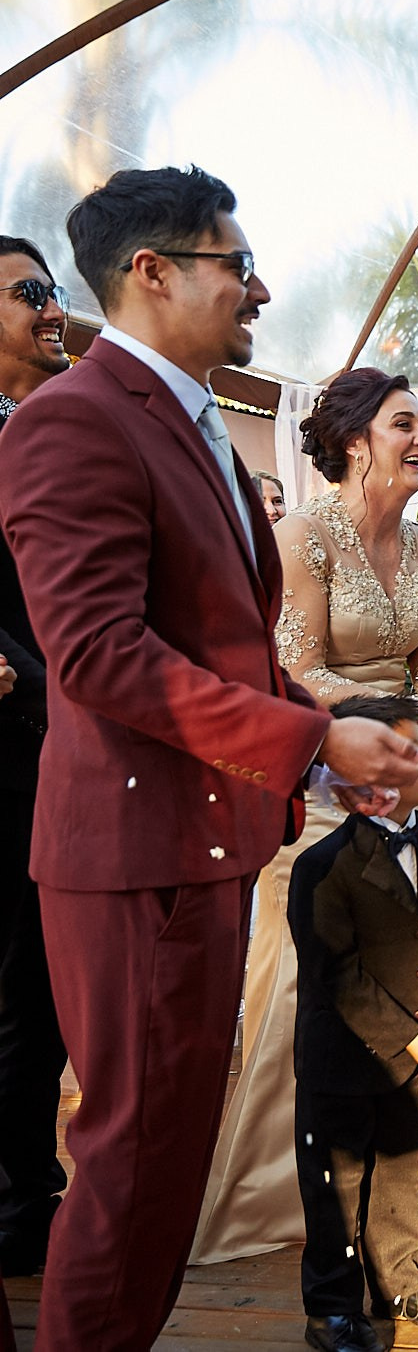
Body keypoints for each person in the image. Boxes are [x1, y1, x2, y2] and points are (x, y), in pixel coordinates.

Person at [0, 165, 418, 1351]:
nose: (259, 289)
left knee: (167, 1168)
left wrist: (326, 749)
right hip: (135, 858)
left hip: (201, 848)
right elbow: (96, 655)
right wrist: (305, 734)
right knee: (131, 1172)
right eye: (235, 265)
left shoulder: (189, 423)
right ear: (151, 272)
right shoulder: (71, 423)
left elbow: (220, 649)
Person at [191, 368, 418, 1264]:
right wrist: (416, 712)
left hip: (405, 779)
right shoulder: (302, 537)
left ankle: (404, 1153)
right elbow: (296, 678)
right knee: (315, 983)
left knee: (406, 971)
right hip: (323, 785)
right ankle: (280, 1185)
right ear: (356, 438)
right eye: (406, 424)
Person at [290, 695, 418, 1349]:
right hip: (345, 1053)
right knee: (339, 1186)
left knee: (402, 1169)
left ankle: (403, 1279)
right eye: (408, 750)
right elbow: (335, 973)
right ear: (368, 786)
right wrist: (405, 1032)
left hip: (417, 1046)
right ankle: (333, 1309)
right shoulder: (322, 869)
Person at [0, 235, 70, 1284]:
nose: (53, 310)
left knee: (41, 990)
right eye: (29, 295)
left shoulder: (45, 435)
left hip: (60, 749)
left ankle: (30, 1202)